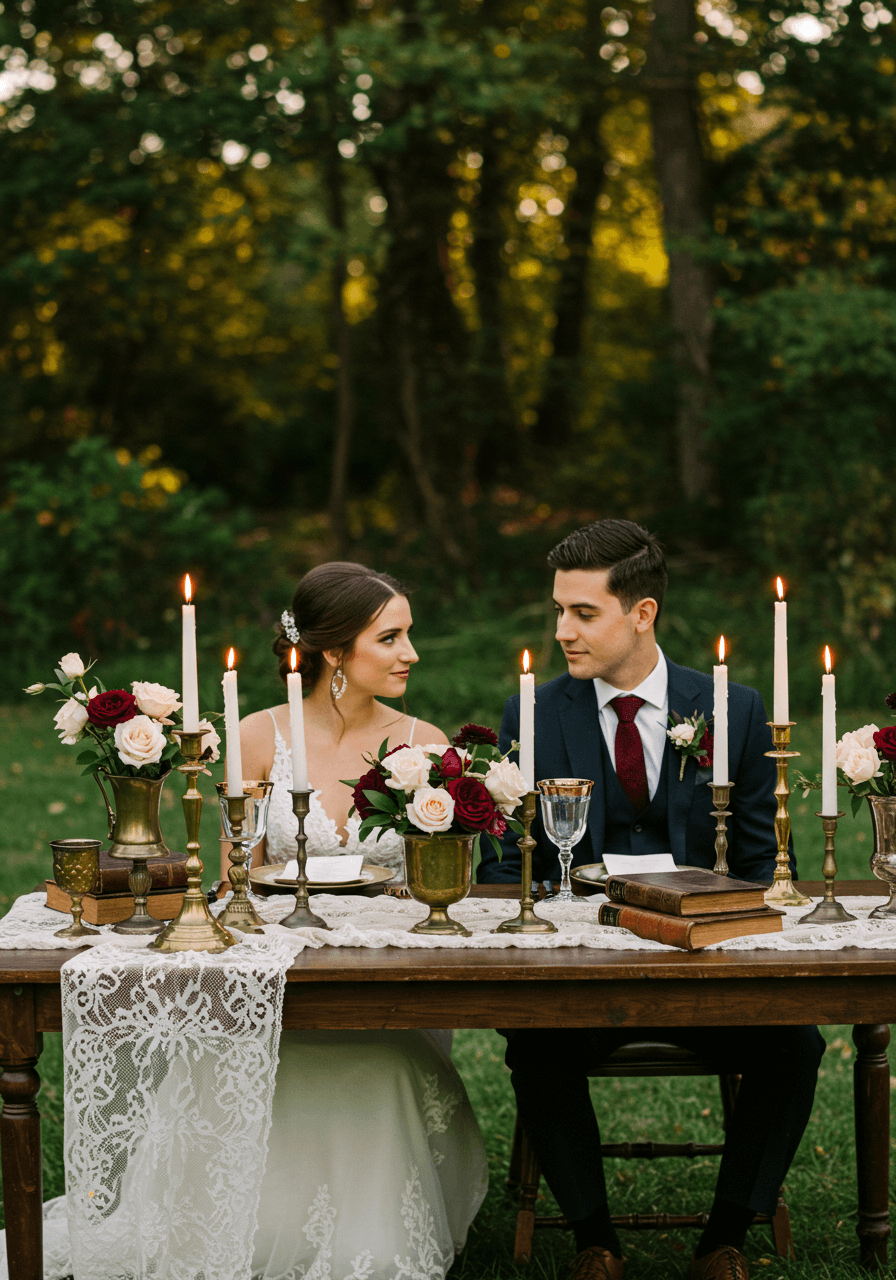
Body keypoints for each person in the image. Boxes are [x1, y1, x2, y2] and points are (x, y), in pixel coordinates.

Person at [477, 521, 824, 1280]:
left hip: (708, 975)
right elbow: (508, 869)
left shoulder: (731, 707)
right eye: (559, 611)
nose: (562, 631)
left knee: (795, 1044)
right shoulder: (532, 713)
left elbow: (767, 864)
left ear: (642, 613)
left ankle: (725, 1238)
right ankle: (596, 1243)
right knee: (535, 1043)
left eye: (583, 613)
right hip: (583, 978)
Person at [228, 561, 488, 1280]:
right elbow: (229, 879)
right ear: (335, 652)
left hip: (389, 982)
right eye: (391, 637)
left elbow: (443, 881)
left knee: (385, 1065)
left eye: (409, 635)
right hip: (280, 975)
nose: (411, 653)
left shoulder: (424, 740)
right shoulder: (256, 737)